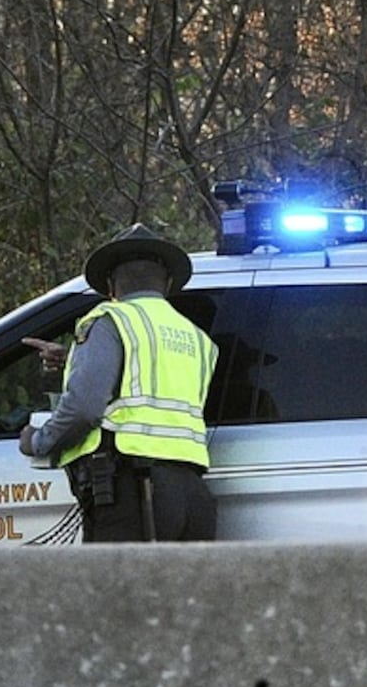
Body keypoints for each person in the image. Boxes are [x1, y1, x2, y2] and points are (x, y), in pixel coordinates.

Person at [18, 224, 219, 542]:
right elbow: (151, 382)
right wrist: (74, 362)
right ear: (166, 283)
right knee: (180, 592)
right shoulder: (197, 338)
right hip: (191, 494)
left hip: (133, 491)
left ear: (111, 284)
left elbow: (85, 408)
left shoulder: (110, 320)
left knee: (116, 591)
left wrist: (39, 441)